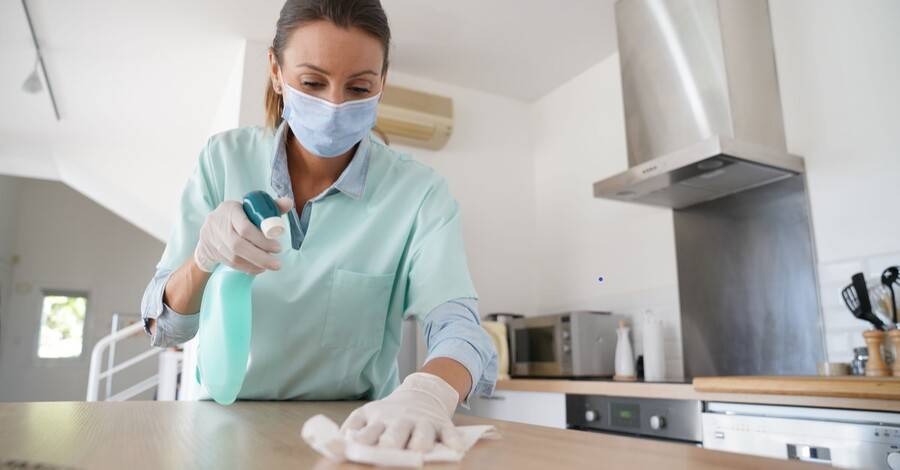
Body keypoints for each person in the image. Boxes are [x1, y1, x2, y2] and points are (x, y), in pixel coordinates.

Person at [140, 0, 497, 452]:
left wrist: (428, 394)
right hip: (222, 428)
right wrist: (203, 260)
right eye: (312, 82)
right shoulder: (222, 160)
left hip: (354, 436)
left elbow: (459, 327)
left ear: (382, 83)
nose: (334, 105)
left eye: (359, 87)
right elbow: (164, 328)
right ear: (275, 70)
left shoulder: (419, 194)